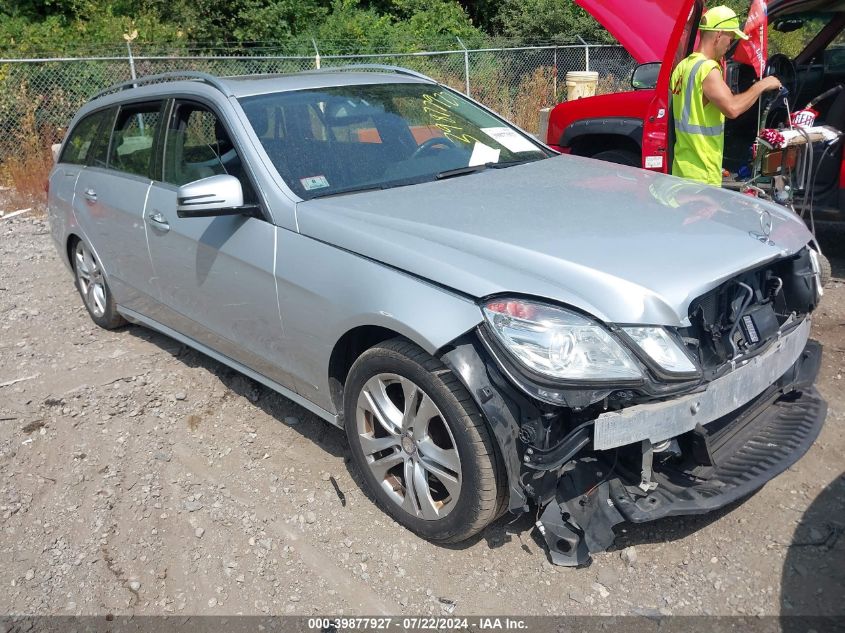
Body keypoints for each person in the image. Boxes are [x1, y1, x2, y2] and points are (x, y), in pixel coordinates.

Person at [671, 5, 782, 186]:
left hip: (682, 168)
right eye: (730, 38)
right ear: (718, 35)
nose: (729, 45)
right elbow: (732, 108)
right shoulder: (707, 69)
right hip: (703, 174)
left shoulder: (683, 67)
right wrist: (762, 85)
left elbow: (698, 106)